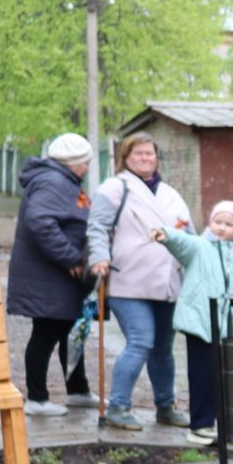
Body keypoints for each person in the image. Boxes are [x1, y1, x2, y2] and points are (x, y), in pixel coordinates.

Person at [85, 133, 191, 432]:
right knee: (141, 340)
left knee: (162, 347)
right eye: (139, 154)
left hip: (168, 282)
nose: (145, 158)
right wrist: (99, 256)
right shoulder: (115, 188)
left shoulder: (171, 193)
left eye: (150, 153)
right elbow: (97, 228)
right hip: (127, 281)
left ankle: (165, 406)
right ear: (125, 158)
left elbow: (189, 234)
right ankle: (118, 406)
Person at [153, 201, 233, 446]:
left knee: (228, 378)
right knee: (202, 376)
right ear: (209, 222)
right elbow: (181, 241)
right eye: (218, 222)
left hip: (231, 329)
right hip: (201, 324)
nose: (222, 228)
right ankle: (200, 425)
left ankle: (226, 423)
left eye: (229, 224)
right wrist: (166, 234)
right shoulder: (200, 246)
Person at [7, 133, 98, 416]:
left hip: (54, 276)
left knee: (69, 330)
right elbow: (40, 221)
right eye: (87, 161)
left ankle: (77, 389)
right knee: (46, 333)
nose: (88, 166)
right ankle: (37, 398)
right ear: (77, 163)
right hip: (50, 275)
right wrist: (70, 257)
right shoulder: (54, 181)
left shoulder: (60, 180)